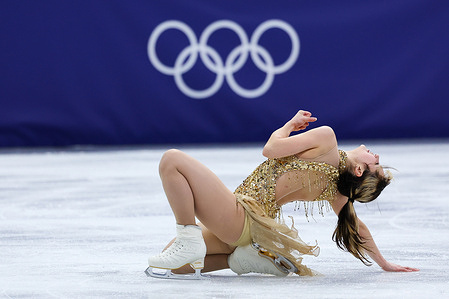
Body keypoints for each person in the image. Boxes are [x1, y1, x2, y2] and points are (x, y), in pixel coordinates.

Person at [145, 110, 419, 279]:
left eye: (376, 163)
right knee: (177, 264)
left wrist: (289, 124)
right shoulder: (337, 191)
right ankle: (241, 259)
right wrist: (384, 263)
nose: (377, 155)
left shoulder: (327, 138)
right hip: (252, 228)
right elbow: (356, 226)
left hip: (242, 215)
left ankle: (188, 236)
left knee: (172, 161)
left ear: (359, 169)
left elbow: (270, 149)